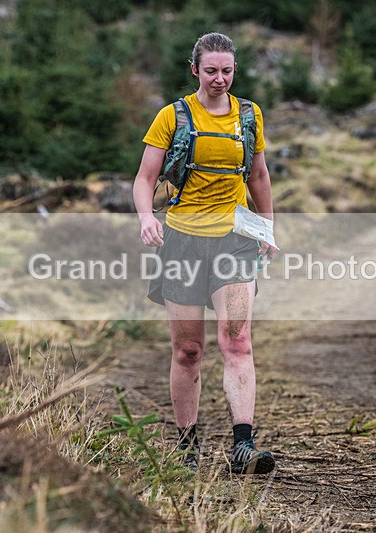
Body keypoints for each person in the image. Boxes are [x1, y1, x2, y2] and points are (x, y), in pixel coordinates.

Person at [132, 32, 276, 474]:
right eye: (211, 70)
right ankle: (188, 449)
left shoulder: (249, 116)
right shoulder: (172, 116)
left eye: (227, 71)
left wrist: (267, 227)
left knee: (237, 340)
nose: (220, 79)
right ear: (194, 69)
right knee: (188, 350)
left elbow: (258, 177)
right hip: (182, 241)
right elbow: (144, 179)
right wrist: (146, 217)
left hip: (234, 239)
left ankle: (243, 447)